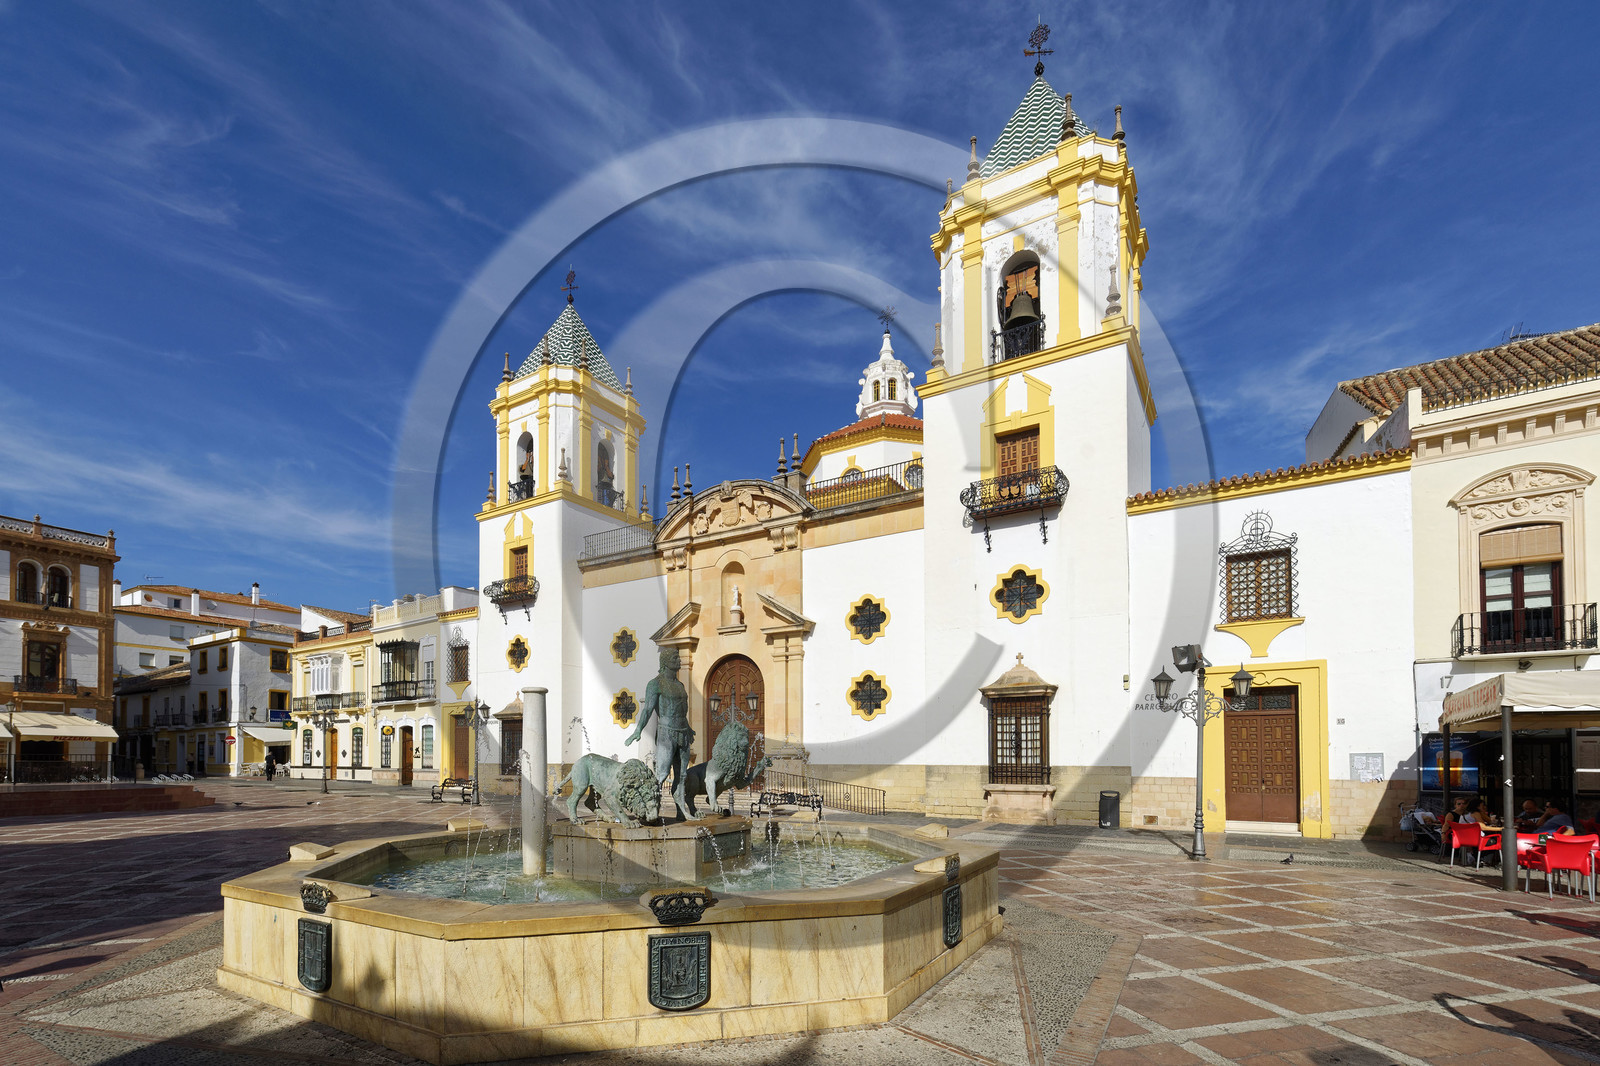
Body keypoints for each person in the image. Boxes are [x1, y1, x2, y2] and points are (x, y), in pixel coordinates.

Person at [625, 646, 695, 817]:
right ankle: (648, 807)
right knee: (662, 773)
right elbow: (648, 710)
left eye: (678, 658)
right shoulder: (655, 684)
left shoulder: (680, 685)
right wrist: (638, 730)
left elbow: (682, 710)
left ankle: (681, 812)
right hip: (666, 732)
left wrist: (689, 728)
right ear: (665, 662)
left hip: (683, 731)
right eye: (674, 658)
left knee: (682, 775)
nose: (679, 661)